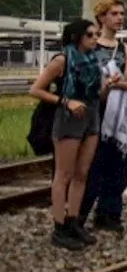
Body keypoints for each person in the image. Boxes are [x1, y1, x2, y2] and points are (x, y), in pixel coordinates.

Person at [30, 20, 107, 249]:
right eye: (91, 35)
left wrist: (108, 86)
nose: (96, 38)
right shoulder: (62, 60)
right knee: (63, 174)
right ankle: (59, 225)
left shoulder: (94, 61)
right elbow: (35, 90)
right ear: (77, 37)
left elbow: (97, 94)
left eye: (97, 34)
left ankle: (74, 221)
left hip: (91, 116)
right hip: (68, 119)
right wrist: (66, 101)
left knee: (82, 173)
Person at [80, 0, 127, 235]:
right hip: (97, 112)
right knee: (93, 167)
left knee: (118, 167)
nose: (120, 18)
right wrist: (111, 84)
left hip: (119, 113)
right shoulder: (91, 45)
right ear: (102, 17)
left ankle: (110, 215)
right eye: (114, 14)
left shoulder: (124, 47)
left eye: (122, 13)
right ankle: (79, 216)